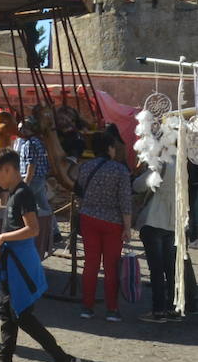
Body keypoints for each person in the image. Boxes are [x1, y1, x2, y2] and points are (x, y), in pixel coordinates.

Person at [0, 148, 80, 362]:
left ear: (8, 170)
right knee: (9, 315)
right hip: (11, 266)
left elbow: (33, 229)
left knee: (21, 316)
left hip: (19, 267)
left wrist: (3, 238)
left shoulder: (23, 194)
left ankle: (63, 360)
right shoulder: (15, 193)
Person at [75, 132, 133, 321]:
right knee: (111, 266)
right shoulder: (120, 170)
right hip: (113, 222)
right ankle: (112, 309)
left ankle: (87, 307)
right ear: (109, 148)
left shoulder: (85, 167)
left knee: (90, 264)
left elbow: (78, 193)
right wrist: (127, 226)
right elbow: (125, 201)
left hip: (88, 218)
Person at [133, 159, 198, 322]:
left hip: (155, 219)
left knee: (156, 269)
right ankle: (173, 309)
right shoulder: (183, 165)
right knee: (171, 269)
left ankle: (159, 310)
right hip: (174, 222)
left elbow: (139, 185)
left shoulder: (161, 165)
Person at [13, 117, 54, 250]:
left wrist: (26, 182)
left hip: (33, 178)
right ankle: (55, 231)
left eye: (20, 129)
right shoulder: (38, 142)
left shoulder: (30, 144)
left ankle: (20, 228)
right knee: (43, 205)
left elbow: (31, 164)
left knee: (19, 202)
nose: (19, 131)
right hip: (40, 177)